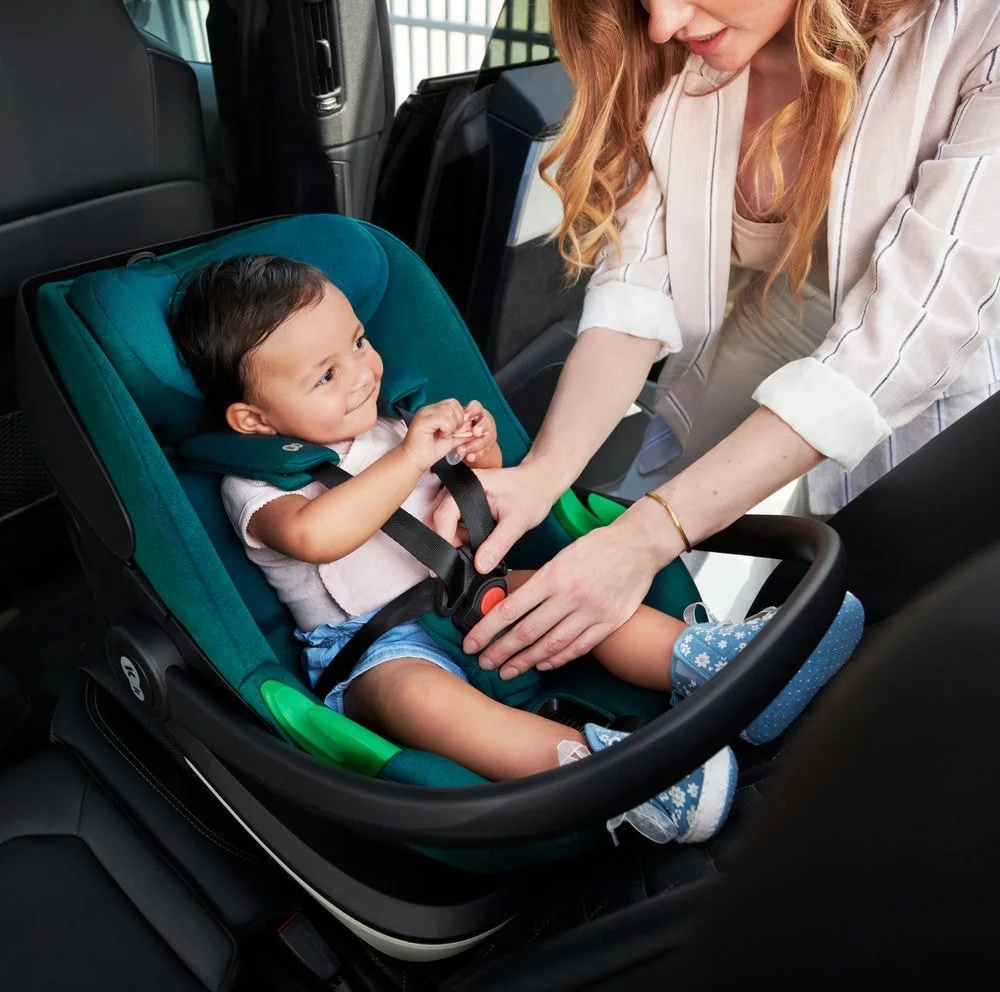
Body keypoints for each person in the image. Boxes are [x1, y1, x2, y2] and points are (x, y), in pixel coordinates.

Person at [169, 254, 863, 845]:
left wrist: (478, 455)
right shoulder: (254, 484)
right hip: (375, 649)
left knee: (569, 592)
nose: (360, 373)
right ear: (252, 418)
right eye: (325, 375)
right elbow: (317, 536)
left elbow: (478, 499)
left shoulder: (392, 421)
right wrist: (410, 458)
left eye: (358, 341)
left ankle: (720, 666)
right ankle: (607, 777)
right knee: (421, 702)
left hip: (472, 593)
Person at [429, 0, 999, 681]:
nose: (663, 23)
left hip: (937, 389)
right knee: (645, 528)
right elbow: (639, 283)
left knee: (889, 629)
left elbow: (906, 336)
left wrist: (647, 537)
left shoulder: (979, 31)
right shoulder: (665, 47)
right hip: (767, 321)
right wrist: (544, 473)